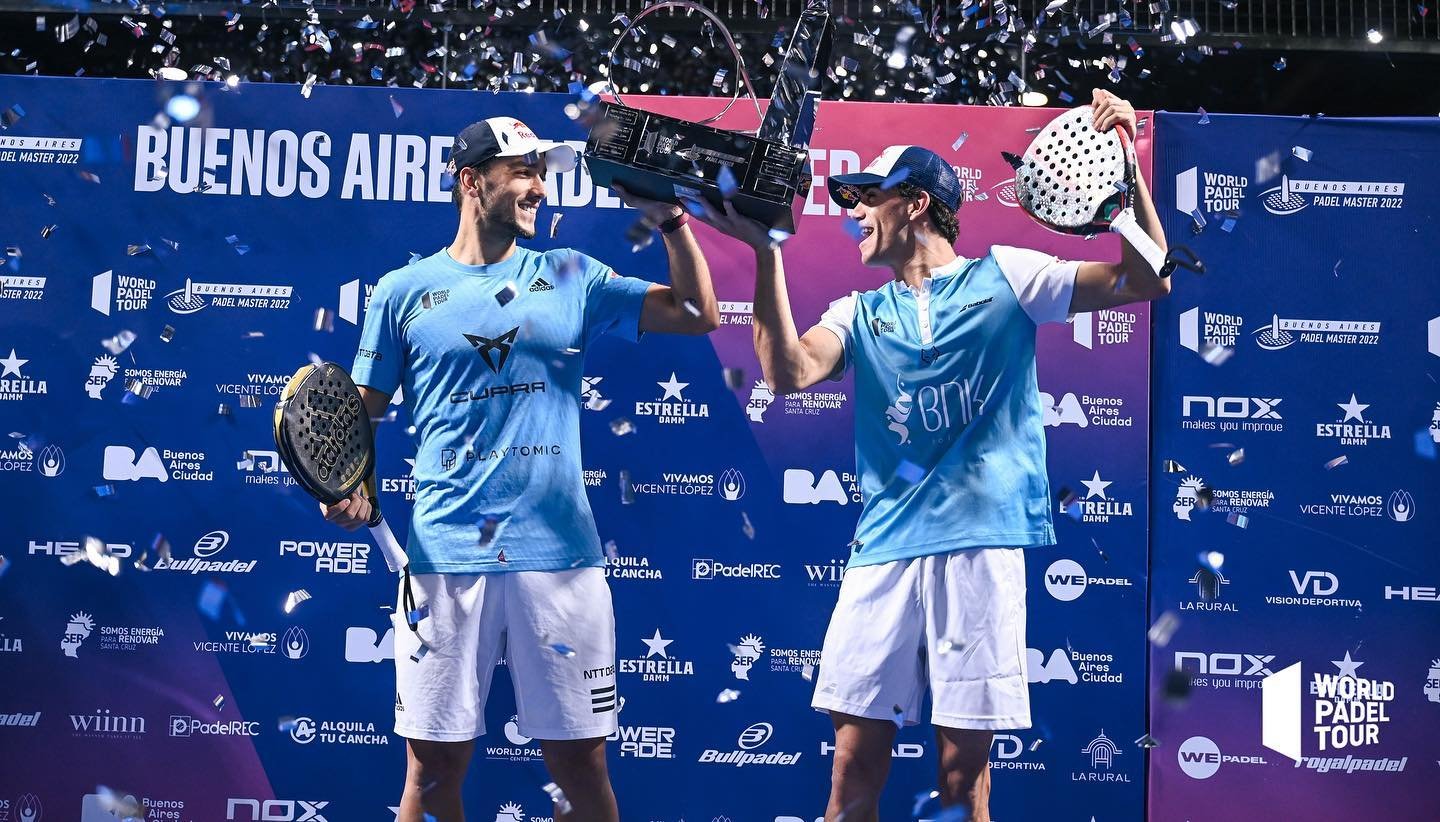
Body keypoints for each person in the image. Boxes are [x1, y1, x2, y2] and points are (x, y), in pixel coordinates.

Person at [690, 89, 1168, 821]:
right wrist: (764, 256)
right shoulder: (858, 312)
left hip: (979, 549)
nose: (852, 211)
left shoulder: (1007, 276)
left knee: (959, 778)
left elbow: (1146, 278)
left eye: (866, 197)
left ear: (914, 204)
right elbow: (787, 372)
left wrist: (1125, 173)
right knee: (850, 775)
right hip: (883, 552)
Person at [322, 116, 718, 822]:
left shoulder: (569, 273)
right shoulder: (402, 291)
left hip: (560, 561)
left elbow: (696, 312)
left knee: (580, 766)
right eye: (523, 172)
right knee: (433, 771)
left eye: (542, 170)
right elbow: (357, 419)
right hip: (445, 559)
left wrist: (672, 222)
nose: (539, 186)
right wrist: (344, 485)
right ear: (473, 183)